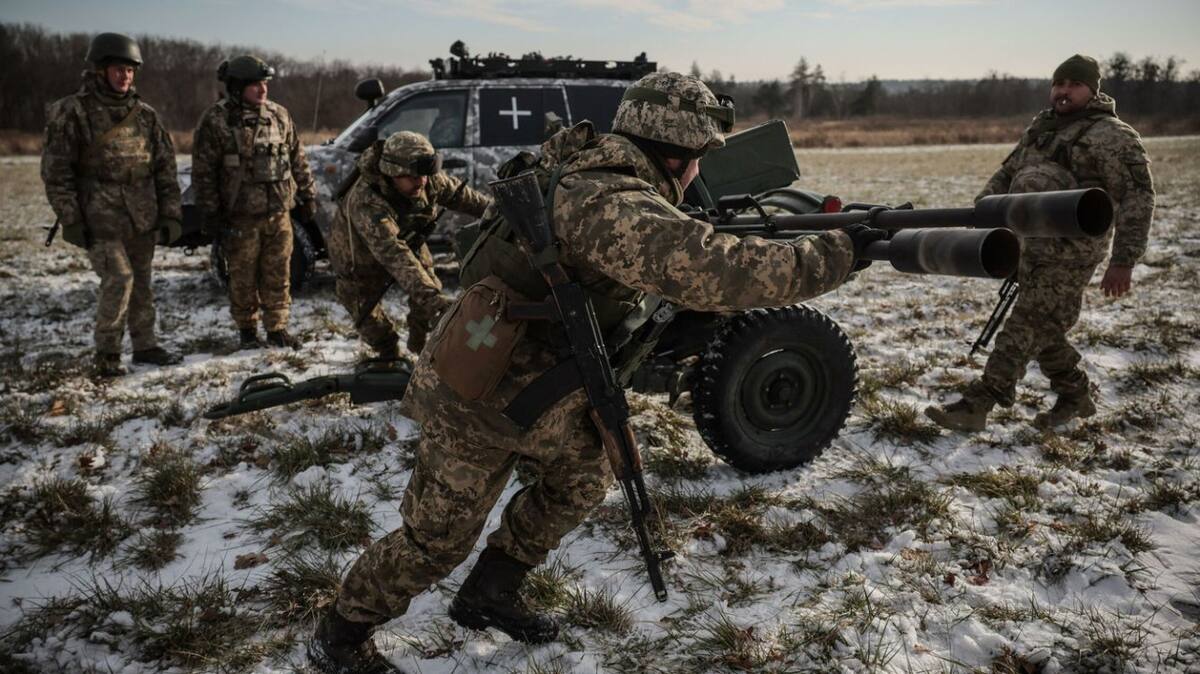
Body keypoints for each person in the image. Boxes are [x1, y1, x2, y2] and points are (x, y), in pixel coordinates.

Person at [308, 72, 881, 672]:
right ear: (679, 153)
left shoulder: (603, 174)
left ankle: (490, 592)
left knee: (580, 481)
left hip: (548, 384)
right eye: (699, 160)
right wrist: (837, 250)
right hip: (481, 394)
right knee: (435, 543)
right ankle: (342, 632)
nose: (696, 175)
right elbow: (723, 274)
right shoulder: (610, 201)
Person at [926, 54, 1155, 432]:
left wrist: (1124, 260)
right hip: (1029, 246)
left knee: (1024, 324)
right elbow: (1008, 174)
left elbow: (1138, 197)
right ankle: (1075, 396)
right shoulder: (1043, 128)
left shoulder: (1113, 136)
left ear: (1092, 90)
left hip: (1072, 254)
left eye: (1074, 84)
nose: (1063, 91)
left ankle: (977, 404)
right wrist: (982, 216)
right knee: (1044, 327)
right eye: (1058, 83)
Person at [41, 32, 184, 377]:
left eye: (131, 71)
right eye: (119, 70)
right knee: (119, 279)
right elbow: (56, 171)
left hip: (141, 216)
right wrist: (71, 219)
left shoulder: (146, 116)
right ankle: (106, 355)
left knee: (143, 282)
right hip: (99, 218)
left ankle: (145, 346)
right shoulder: (73, 112)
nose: (125, 77)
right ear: (101, 70)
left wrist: (171, 215)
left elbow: (165, 168)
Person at [327, 131, 490, 359]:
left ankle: (420, 347)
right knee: (370, 321)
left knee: (428, 291)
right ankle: (390, 355)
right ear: (392, 173)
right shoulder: (366, 201)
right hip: (359, 260)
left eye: (425, 175)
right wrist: (435, 302)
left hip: (407, 240)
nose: (421, 182)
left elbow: (465, 198)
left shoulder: (425, 177)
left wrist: (498, 211)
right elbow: (395, 256)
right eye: (413, 177)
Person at [191, 54, 317, 350]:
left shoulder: (279, 115)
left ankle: (277, 328)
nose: (263, 90)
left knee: (278, 273)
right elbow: (204, 170)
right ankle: (247, 332)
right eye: (255, 85)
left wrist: (308, 194)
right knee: (243, 276)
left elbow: (298, 158)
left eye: (265, 84)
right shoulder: (217, 120)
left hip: (278, 214)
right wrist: (210, 211)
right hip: (240, 217)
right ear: (236, 87)